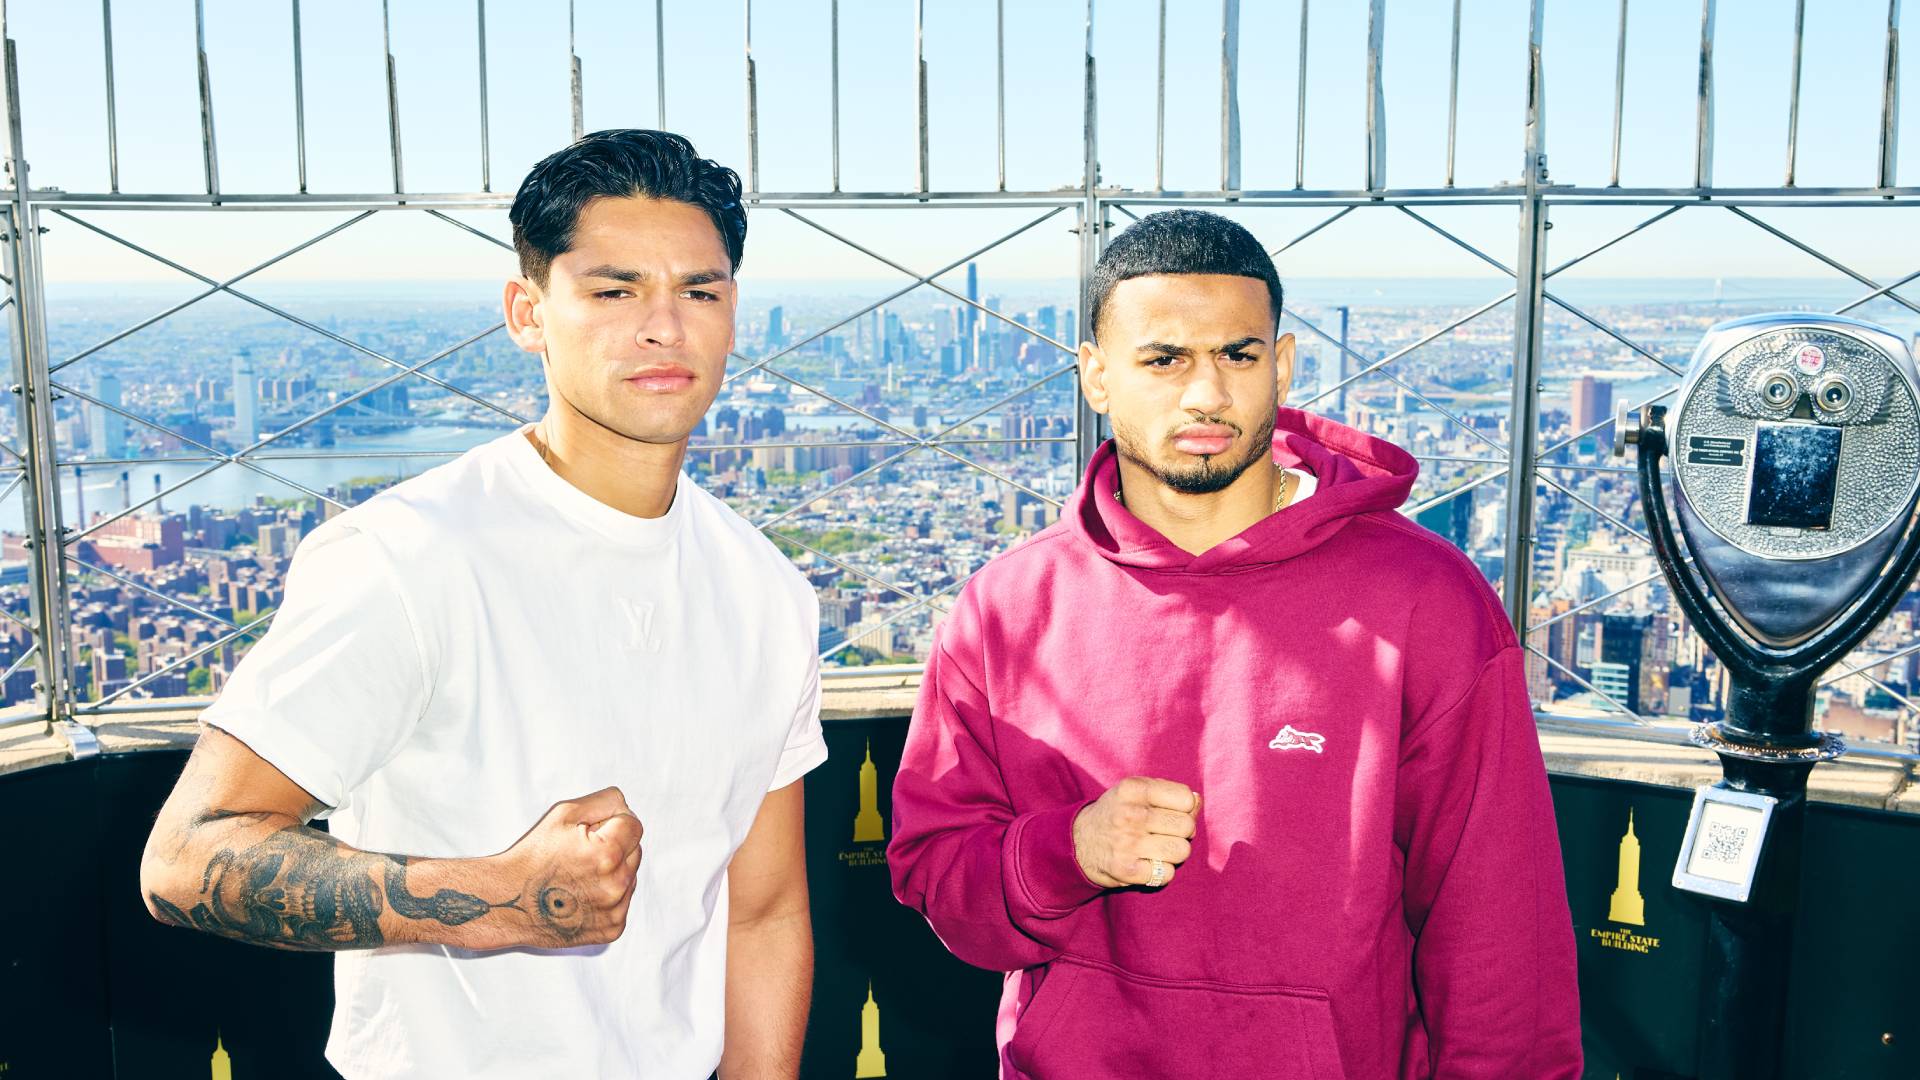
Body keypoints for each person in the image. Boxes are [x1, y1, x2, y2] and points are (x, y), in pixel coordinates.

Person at [139, 130, 824, 1080]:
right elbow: (184, 857)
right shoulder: (410, 557)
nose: (664, 327)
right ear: (527, 311)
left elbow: (762, 910)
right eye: (614, 290)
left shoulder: (767, 593)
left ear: (733, 311)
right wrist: (496, 895)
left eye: (698, 291)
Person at [888, 209, 1581, 1079]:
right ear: (1096, 376)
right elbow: (942, 885)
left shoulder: (1425, 603)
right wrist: (1068, 851)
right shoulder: (1005, 609)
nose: (1206, 394)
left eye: (1238, 355)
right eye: (1164, 358)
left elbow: (1499, 940)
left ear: (1282, 368)